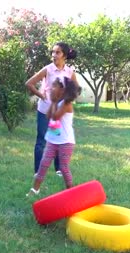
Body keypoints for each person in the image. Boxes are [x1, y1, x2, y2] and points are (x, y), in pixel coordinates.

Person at [25, 42, 78, 178]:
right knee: (41, 140)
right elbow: (29, 83)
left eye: (58, 52)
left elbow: (76, 89)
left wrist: (68, 100)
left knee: (58, 139)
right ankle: (37, 171)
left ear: (64, 56)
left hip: (59, 114)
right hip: (45, 112)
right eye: (53, 52)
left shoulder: (69, 72)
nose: (54, 55)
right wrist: (41, 95)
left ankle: (59, 169)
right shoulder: (47, 69)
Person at [26, 76, 81, 196]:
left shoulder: (67, 104)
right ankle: (35, 190)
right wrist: (53, 102)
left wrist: (54, 102)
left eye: (54, 86)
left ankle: (71, 192)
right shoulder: (57, 102)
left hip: (65, 141)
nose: (51, 88)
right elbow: (48, 116)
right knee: (43, 164)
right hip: (52, 140)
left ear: (63, 90)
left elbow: (55, 117)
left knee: (63, 167)